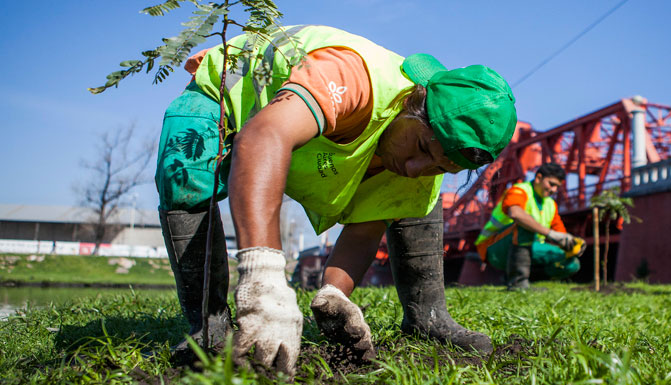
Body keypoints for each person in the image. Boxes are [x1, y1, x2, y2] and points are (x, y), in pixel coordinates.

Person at [154, 25, 516, 376]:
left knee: (419, 199)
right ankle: (209, 326)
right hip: (235, 101)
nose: (413, 168)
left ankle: (427, 318)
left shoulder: (416, 164)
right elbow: (265, 135)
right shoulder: (355, 77)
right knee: (182, 173)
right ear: (410, 102)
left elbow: (363, 232)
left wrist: (334, 296)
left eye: (439, 166)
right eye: (421, 147)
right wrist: (263, 278)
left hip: (302, 143)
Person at [474, 163, 583, 289]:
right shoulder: (519, 190)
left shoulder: (550, 204)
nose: (553, 190)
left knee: (571, 263)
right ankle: (517, 283)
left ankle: (528, 281)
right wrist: (550, 234)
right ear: (538, 178)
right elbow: (515, 213)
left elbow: (561, 233)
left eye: (557, 187)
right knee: (524, 225)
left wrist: (572, 243)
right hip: (494, 248)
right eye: (551, 184)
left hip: (529, 248)